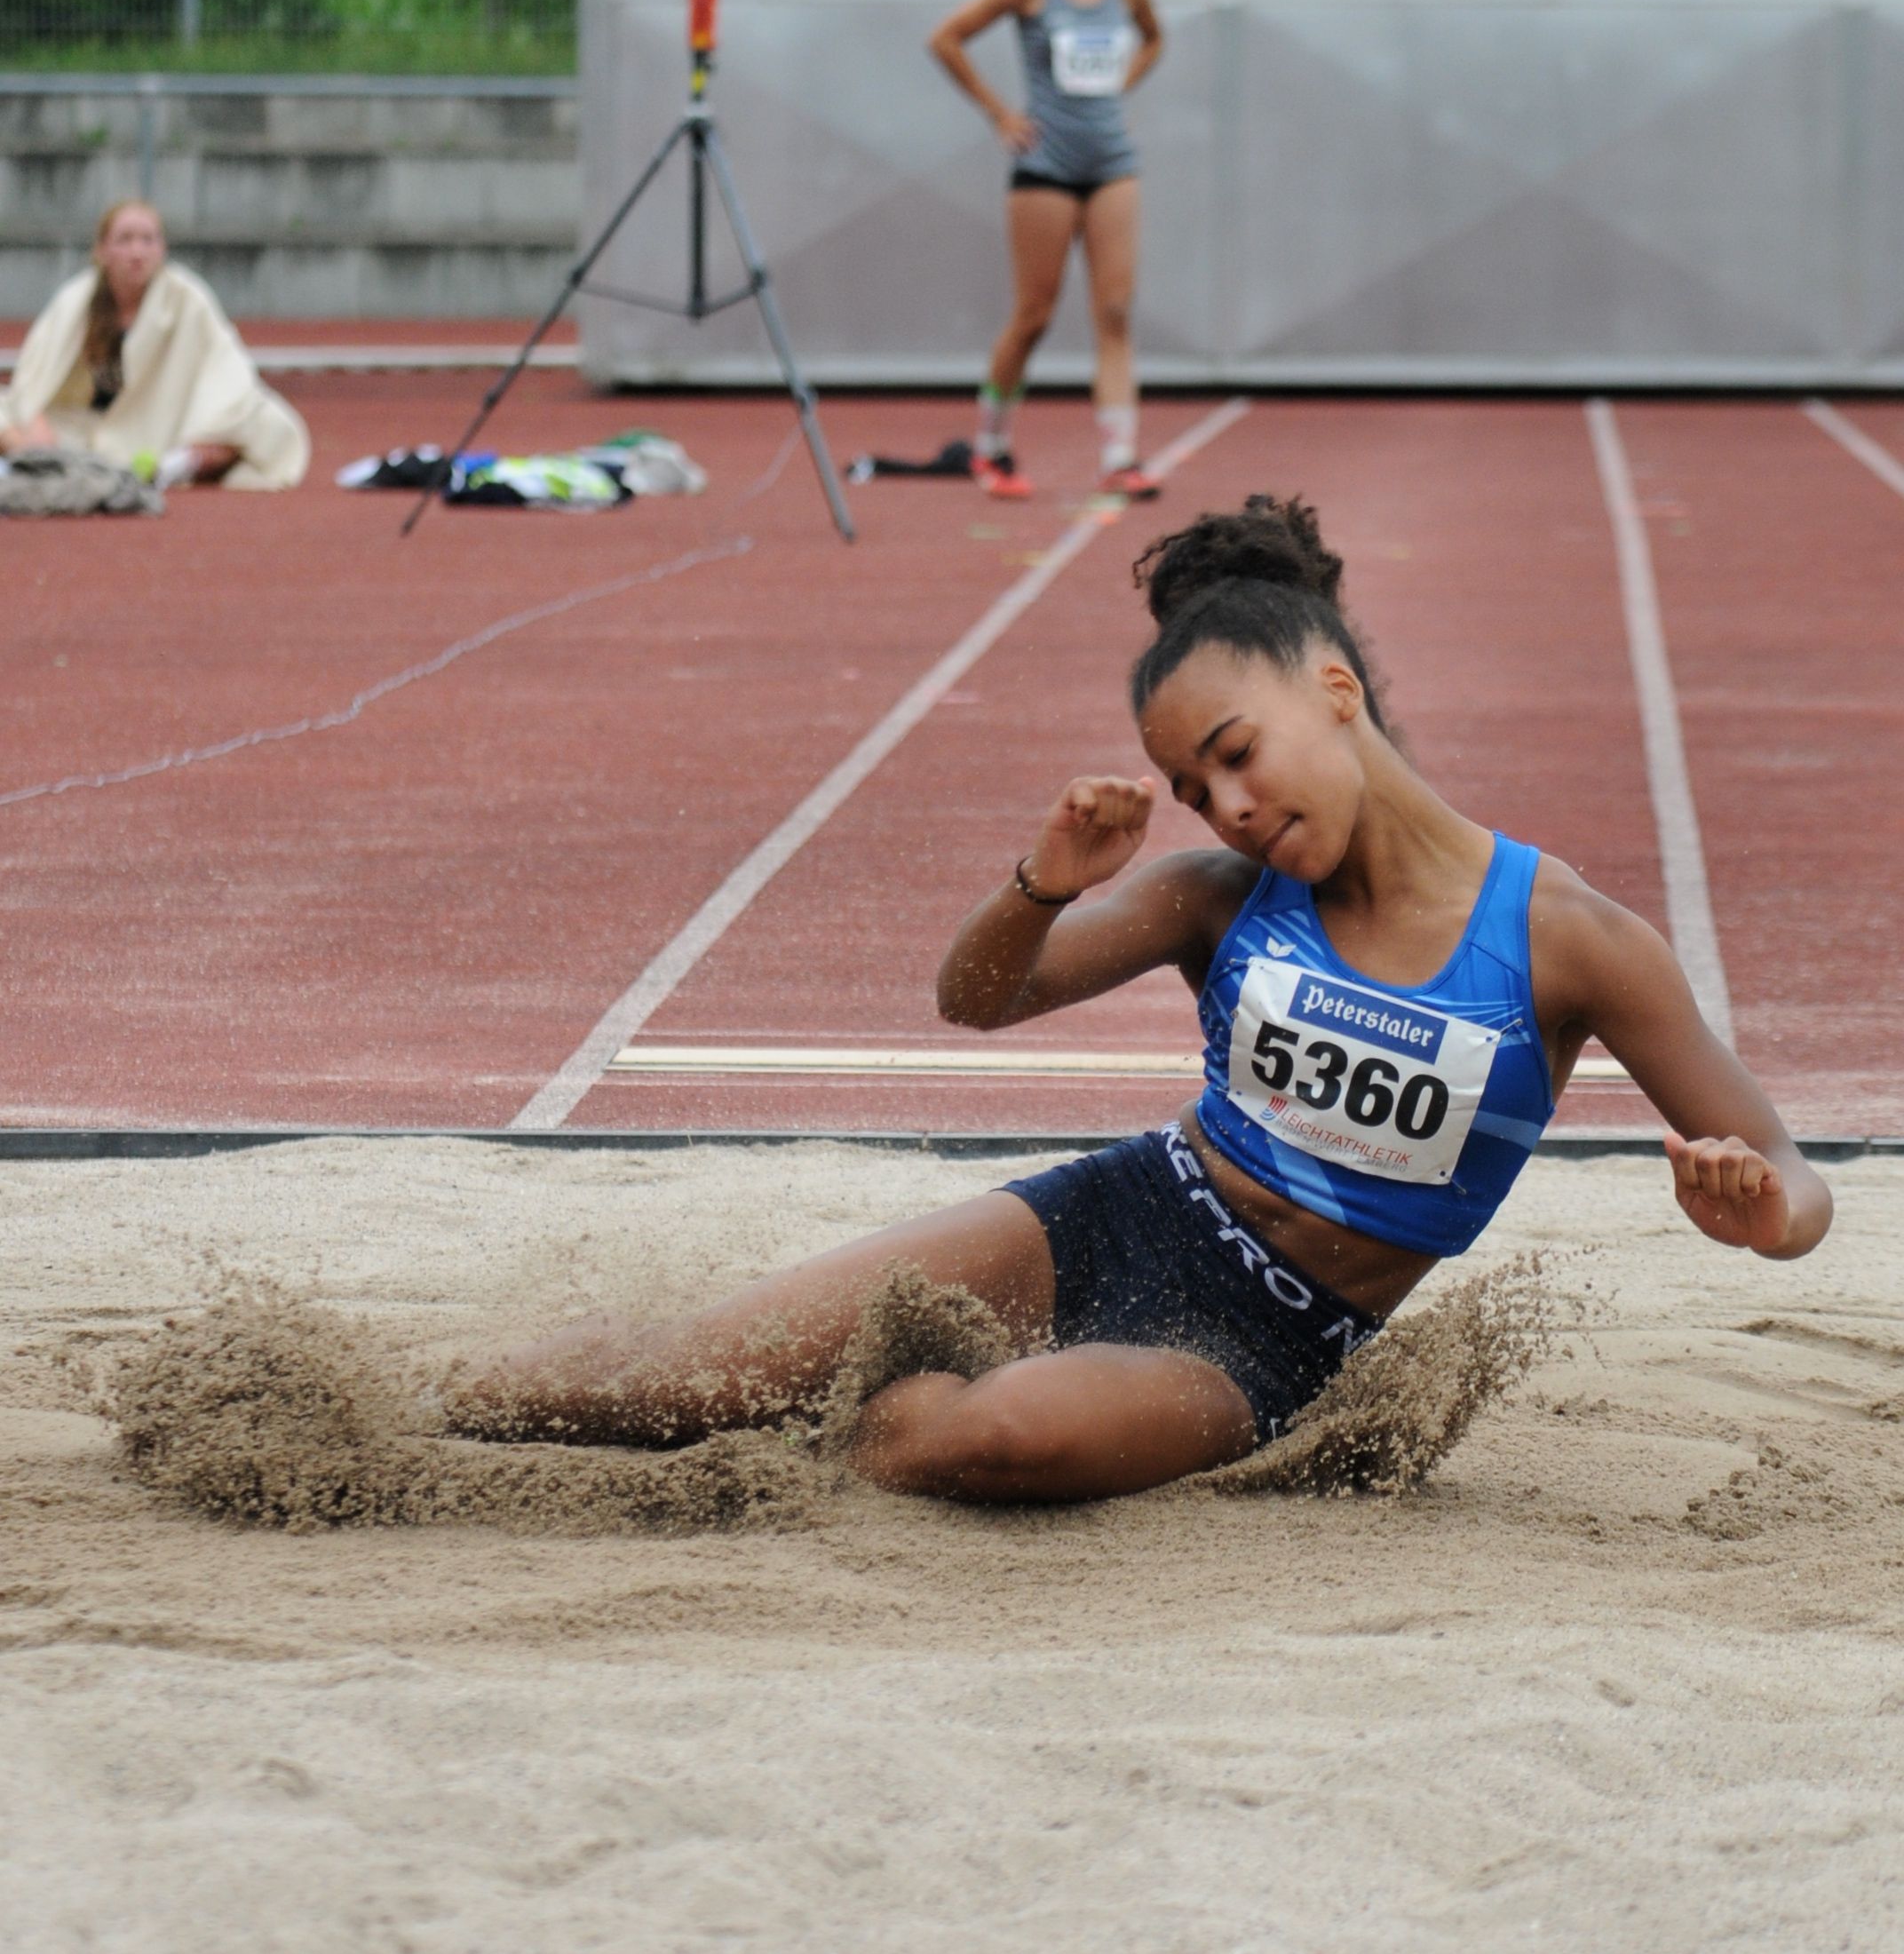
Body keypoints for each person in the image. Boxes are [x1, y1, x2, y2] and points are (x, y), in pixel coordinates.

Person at [452, 495, 1830, 1504]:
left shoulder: (1573, 943)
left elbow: (1786, 1167)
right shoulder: (1215, 894)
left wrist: (1762, 1212)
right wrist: (1039, 884)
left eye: (1237, 757)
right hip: (1113, 1211)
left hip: (1268, 1336)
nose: (1227, 806)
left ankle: (836, 1413)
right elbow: (977, 1001)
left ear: (1335, 689)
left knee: (991, 1443)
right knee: (671, 1377)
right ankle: (422, 1413)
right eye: (1193, 790)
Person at [927, 0, 1163, 502]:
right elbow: (946, 39)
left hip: (1113, 163)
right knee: (1034, 314)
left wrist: (1119, 91)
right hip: (1046, 168)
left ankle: (1120, 454)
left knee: (1115, 310)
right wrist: (1001, 113)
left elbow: (1153, 38)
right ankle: (990, 446)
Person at [0, 202, 309, 490]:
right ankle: (38, 462)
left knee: (267, 421)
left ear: (162, 249)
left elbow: (226, 369)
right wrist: (35, 425)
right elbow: (33, 382)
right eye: (125, 240)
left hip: (164, 429)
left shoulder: (187, 298)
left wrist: (211, 429)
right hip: (77, 427)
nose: (137, 252)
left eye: (148, 240)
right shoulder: (76, 300)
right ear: (102, 250)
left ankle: (172, 467)